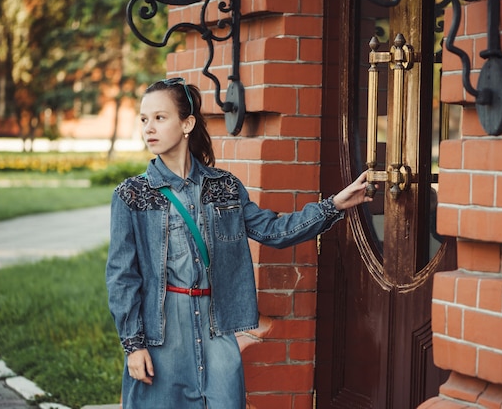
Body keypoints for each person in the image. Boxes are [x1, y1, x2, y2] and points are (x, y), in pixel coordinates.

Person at [105, 77, 374, 409]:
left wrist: (334, 205)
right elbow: (122, 277)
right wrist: (134, 346)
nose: (149, 128)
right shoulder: (132, 196)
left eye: (160, 118)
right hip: (163, 336)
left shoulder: (224, 188)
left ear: (186, 123)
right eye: (144, 119)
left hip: (217, 328)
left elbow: (273, 231)